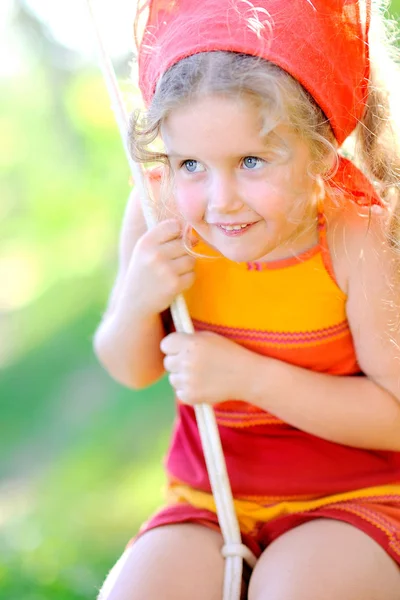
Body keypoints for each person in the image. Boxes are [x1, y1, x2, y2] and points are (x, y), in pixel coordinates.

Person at [93, 0, 400, 598]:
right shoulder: (160, 213)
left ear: (320, 152)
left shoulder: (351, 233)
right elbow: (129, 369)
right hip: (210, 498)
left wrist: (247, 376)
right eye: (190, 165)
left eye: (251, 161)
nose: (221, 200)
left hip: (355, 497)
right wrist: (137, 298)